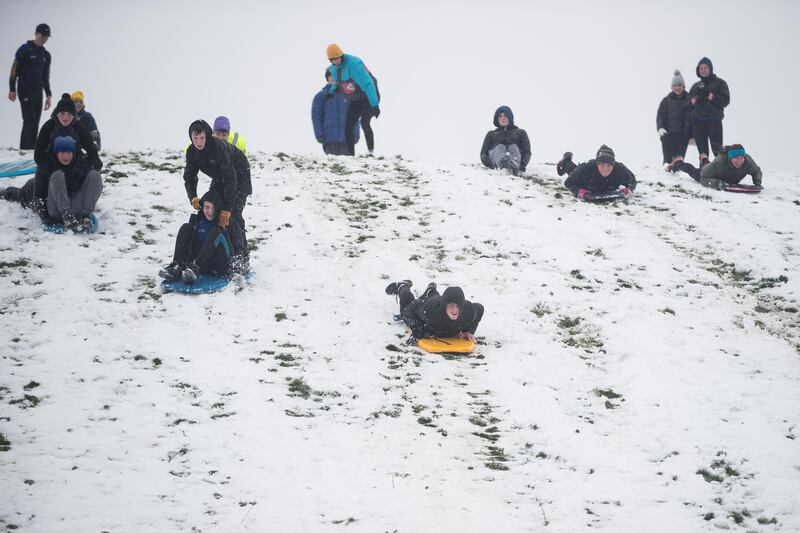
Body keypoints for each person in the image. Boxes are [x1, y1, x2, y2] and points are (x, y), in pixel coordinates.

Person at [0, 135, 102, 231]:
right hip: (55, 210)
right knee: (56, 176)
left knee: (95, 175)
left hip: (77, 208)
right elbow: (38, 195)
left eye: (69, 152)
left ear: (74, 153)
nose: (66, 156)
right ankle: (67, 216)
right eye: (62, 153)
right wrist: (46, 218)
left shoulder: (82, 164)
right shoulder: (46, 166)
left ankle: (86, 215)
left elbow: (92, 185)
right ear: (56, 153)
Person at [159, 190, 241, 283]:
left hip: (222, 266)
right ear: (202, 206)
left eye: (214, 208)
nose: (210, 212)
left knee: (217, 232)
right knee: (186, 227)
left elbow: (239, 246)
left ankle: (195, 267)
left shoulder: (227, 221)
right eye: (207, 207)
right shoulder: (199, 220)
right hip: (204, 265)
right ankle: (177, 266)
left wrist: (238, 268)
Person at [385, 280, 484, 345]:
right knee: (405, 311)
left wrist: (469, 331)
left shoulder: (468, 311)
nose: (455, 310)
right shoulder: (430, 312)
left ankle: (430, 291)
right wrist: (416, 328)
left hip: (437, 301)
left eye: (458, 306)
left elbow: (480, 308)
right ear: (445, 306)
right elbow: (412, 308)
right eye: (451, 305)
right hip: (425, 307)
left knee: (436, 299)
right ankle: (402, 286)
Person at [183, 119, 237, 232]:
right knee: (213, 203)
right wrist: (192, 196)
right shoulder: (192, 152)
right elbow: (189, 177)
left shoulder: (218, 148)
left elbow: (231, 179)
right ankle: (213, 239)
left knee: (234, 212)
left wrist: (227, 209)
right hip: (220, 176)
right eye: (195, 138)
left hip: (239, 173)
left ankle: (239, 248)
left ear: (207, 135)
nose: (199, 142)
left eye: (202, 138)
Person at [326, 43, 379, 156]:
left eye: (337, 58)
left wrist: (375, 105)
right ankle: (351, 156)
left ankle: (371, 153)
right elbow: (338, 82)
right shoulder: (334, 69)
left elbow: (368, 84)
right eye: (332, 60)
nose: (336, 61)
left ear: (341, 55)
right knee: (348, 125)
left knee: (365, 123)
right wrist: (331, 92)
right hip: (356, 98)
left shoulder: (354, 65)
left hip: (368, 95)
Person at [211, 116, 251, 266]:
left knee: (235, 217)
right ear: (213, 133)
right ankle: (222, 253)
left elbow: (239, 169)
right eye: (218, 133)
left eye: (224, 134)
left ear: (228, 134)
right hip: (223, 182)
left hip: (240, 184)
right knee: (215, 213)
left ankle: (242, 257)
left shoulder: (236, 143)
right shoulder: (210, 144)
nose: (221, 137)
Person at [34, 93, 102, 176]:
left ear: (74, 115)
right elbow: (39, 151)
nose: (66, 117)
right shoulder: (49, 126)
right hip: (52, 167)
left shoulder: (79, 127)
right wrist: (45, 167)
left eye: (69, 114)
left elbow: (90, 147)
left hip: (75, 168)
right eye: (62, 113)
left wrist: (94, 161)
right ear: (57, 113)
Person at [8, 23, 52, 149]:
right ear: (36, 34)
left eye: (46, 37)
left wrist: (48, 94)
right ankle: (24, 150)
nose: (44, 38)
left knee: (36, 121)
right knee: (29, 119)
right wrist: (12, 89)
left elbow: (45, 77)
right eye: (42, 35)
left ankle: (31, 151)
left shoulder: (46, 55)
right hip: (24, 89)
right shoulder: (25, 49)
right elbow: (14, 70)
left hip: (38, 91)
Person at [689, 57, 730, 166]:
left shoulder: (720, 83)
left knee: (717, 150)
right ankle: (704, 171)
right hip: (698, 123)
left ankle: (722, 171)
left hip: (714, 120)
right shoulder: (695, 86)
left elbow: (726, 100)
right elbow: (687, 107)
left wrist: (712, 97)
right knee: (702, 152)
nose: (703, 70)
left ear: (710, 69)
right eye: (701, 68)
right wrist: (692, 102)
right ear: (698, 70)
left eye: (706, 67)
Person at [311, 67, 361, 155]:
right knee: (332, 166)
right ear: (327, 78)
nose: (333, 78)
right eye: (330, 76)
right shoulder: (321, 96)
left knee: (348, 166)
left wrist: (356, 134)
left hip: (347, 140)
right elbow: (316, 117)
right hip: (329, 140)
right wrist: (319, 133)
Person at [561, 145, 637, 199]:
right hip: (585, 183)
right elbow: (568, 182)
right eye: (602, 164)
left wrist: (629, 189)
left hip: (604, 187)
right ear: (597, 163)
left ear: (614, 164)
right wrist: (578, 191)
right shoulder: (586, 167)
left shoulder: (620, 169)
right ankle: (566, 160)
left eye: (609, 164)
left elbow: (632, 182)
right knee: (573, 169)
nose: (605, 168)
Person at [674, 143, 762, 189]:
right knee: (693, 170)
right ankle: (678, 162)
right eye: (736, 158)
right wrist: (717, 183)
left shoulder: (748, 161)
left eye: (741, 158)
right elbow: (703, 178)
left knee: (708, 165)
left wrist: (757, 182)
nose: (739, 161)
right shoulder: (720, 162)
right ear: (730, 158)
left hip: (715, 170)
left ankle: (704, 159)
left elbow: (756, 171)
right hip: (706, 174)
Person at [480, 106, 531, 175]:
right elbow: (483, 153)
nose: (503, 118)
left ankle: (514, 164)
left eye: (505, 116)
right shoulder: (491, 134)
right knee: (500, 147)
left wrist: (523, 165)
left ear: (510, 117)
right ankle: (502, 163)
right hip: (496, 159)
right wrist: (490, 165)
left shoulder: (520, 132)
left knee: (513, 147)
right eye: (500, 116)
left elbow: (527, 152)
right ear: (497, 119)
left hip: (515, 156)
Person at [656, 70, 691, 171]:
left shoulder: (689, 100)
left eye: (680, 85)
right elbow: (660, 115)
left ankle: (677, 176)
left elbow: (693, 118)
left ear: (683, 86)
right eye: (675, 85)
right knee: (667, 160)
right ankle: (666, 177)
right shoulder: (666, 101)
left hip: (683, 135)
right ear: (672, 87)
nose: (677, 87)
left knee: (679, 160)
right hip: (668, 134)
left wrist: (692, 135)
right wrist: (660, 127)